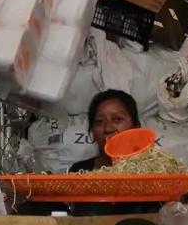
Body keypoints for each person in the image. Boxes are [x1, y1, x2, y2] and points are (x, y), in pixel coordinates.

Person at [68, 89, 160, 217]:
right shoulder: (79, 171)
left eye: (117, 119)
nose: (107, 128)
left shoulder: (154, 173)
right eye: (99, 121)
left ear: (136, 128)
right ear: (92, 132)